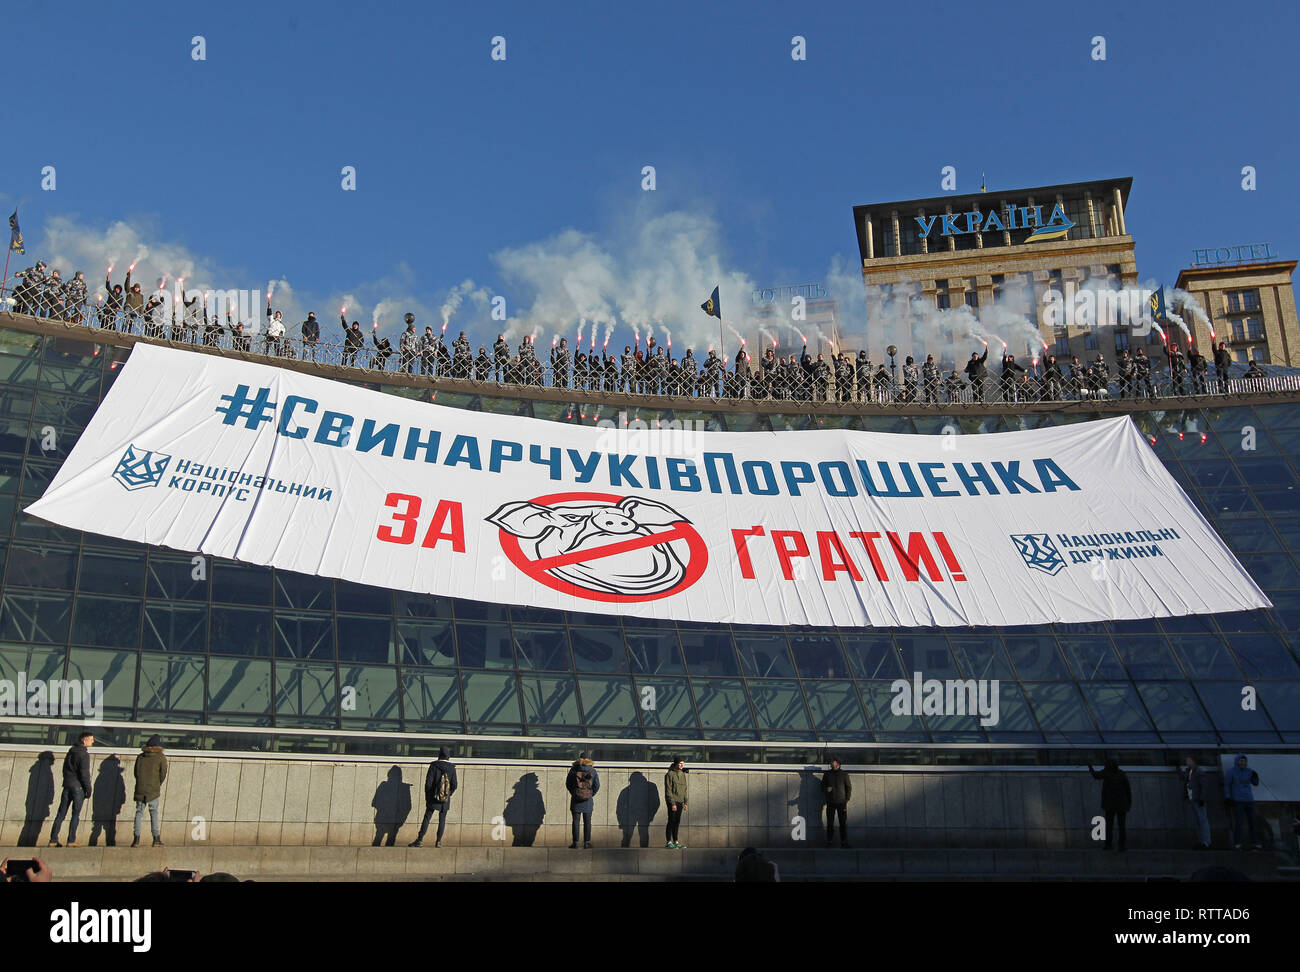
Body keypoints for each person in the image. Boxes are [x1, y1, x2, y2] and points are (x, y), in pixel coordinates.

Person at [48, 731, 94, 847]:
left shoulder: (71, 752)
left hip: (67, 785)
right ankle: (71, 840)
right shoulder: (83, 754)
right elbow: (84, 774)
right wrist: (88, 789)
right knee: (75, 815)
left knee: (61, 814)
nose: (93, 741)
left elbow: (65, 770)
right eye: (91, 739)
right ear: (84, 741)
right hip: (78, 787)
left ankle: (53, 840)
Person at [410, 747, 458, 848]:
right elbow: (454, 784)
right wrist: (448, 794)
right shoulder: (452, 768)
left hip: (433, 796)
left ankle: (419, 840)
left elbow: (428, 783)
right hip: (445, 798)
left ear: (439, 754)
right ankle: (438, 841)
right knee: (442, 819)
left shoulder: (434, 766)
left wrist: (428, 796)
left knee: (427, 817)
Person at [131, 734, 168, 848]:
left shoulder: (141, 757)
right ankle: (156, 838)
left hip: (140, 789)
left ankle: (136, 839)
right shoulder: (160, 757)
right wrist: (157, 784)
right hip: (154, 790)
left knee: (139, 813)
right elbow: (163, 774)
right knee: (154, 812)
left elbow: (136, 773)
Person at [1088, 758, 1132, 852]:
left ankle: (1108, 844)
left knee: (1109, 825)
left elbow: (1096, 776)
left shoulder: (1106, 773)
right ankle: (1122, 845)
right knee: (1121, 826)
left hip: (1109, 805)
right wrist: (1129, 803)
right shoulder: (1122, 774)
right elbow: (1128, 790)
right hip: (1121, 805)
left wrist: (1090, 767)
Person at [1223, 753, 1263, 849]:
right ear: (1237, 761)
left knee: (1252, 822)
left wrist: (1255, 776)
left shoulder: (1249, 771)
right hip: (1238, 801)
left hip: (1249, 800)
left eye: (1244, 761)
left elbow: (1255, 783)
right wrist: (1228, 796)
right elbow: (1227, 785)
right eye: (1241, 761)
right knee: (1239, 822)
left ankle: (1254, 842)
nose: (1243, 763)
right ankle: (1238, 842)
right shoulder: (1231, 772)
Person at [565, 753, 600, 849]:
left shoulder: (573, 770)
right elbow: (597, 785)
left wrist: (574, 793)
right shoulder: (593, 771)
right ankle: (587, 842)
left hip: (576, 799)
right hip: (588, 800)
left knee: (576, 821)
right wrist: (590, 794)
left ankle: (575, 842)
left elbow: (568, 784)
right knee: (587, 821)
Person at [1179, 755, 1211, 849]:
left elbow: (1204, 786)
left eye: (1189, 760)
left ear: (1194, 761)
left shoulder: (1199, 772)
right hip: (1192, 799)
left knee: (1202, 820)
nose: (1187, 762)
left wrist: (1202, 798)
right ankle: (1201, 841)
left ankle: (1206, 841)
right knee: (1197, 821)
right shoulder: (1189, 771)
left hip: (1198, 799)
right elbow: (1184, 779)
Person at [822, 757, 852, 848]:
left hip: (841, 802)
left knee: (842, 823)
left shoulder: (844, 774)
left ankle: (844, 842)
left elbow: (848, 788)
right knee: (830, 823)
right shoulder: (827, 774)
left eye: (833, 762)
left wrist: (846, 800)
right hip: (830, 802)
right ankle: (829, 841)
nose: (831, 763)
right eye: (831, 762)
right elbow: (822, 786)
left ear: (838, 764)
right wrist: (826, 789)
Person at [664, 757, 688, 849]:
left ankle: (676, 841)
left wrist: (685, 802)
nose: (682, 765)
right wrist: (672, 803)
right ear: (676, 764)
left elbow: (685, 789)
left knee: (677, 822)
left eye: (683, 763)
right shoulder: (669, 774)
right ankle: (668, 841)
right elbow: (668, 790)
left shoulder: (682, 774)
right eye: (680, 763)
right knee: (671, 821)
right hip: (672, 801)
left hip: (680, 801)